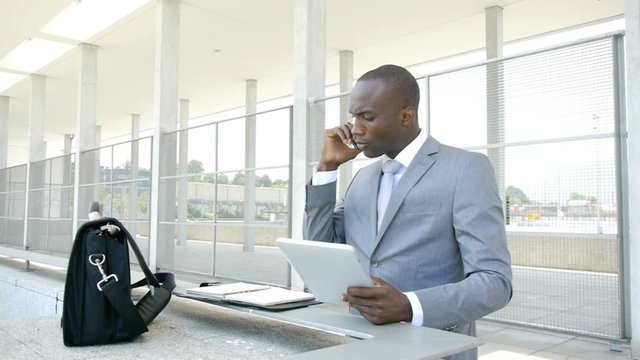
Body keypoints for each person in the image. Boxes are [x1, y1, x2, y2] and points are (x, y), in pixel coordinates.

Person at [303, 64, 512, 360]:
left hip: (432, 349)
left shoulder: (465, 169)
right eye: (354, 116)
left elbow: (495, 282)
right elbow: (320, 247)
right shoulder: (361, 179)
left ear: (406, 116)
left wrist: (409, 305)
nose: (356, 128)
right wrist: (326, 170)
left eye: (368, 117)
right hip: (361, 345)